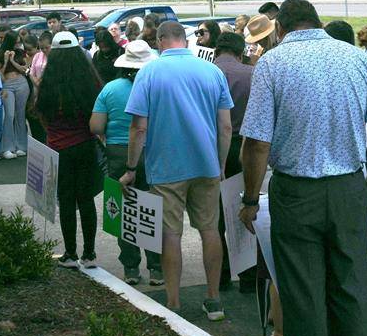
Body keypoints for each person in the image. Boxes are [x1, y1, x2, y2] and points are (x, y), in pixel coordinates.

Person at [238, 0, 367, 336]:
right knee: (349, 290)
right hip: (348, 187)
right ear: (318, 22)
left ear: (280, 29)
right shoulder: (356, 58)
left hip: (296, 191)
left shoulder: (273, 63)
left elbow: (256, 143)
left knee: (303, 293)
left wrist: (250, 199)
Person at [122, 21, 233, 315]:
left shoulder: (149, 73)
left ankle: (173, 302)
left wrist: (131, 167)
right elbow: (225, 126)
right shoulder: (212, 71)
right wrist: (220, 163)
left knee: (171, 234)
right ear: (184, 40)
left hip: (166, 167)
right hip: (206, 164)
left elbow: (138, 128)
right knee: (210, 230)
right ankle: (213, 299)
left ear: (160, 41)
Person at [91, 40, 161, 285]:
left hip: (118, 154)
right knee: (152, 207)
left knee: (123, 209)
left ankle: (131, 267)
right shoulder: (157, 87)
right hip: (152, 152)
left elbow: (96, 126)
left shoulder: (110, 89)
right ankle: (157, 268)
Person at [37, 32, 104, 268]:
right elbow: (97, 114)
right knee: (86, 199)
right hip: (86, 145)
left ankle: (70, 253)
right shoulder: (89, 80)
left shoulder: (49, 82)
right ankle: (90, 254)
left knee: (66, 200)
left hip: (59, 149)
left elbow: (40, 114)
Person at [213, 31, 255, 292]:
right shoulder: (252, 74)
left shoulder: (206, 73)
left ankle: (221, 275)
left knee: (215, 214)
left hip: (213, 146)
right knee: (245, 208)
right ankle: (249, 278)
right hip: (246, 146)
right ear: (240, 53)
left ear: (217, 51)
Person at [0, 32, 31, 157]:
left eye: (19, 42)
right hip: (7, 85)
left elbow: (25, 69)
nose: (18, 45)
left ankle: (21, 146)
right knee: (9, 115)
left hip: (21, 83)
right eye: (16, 42)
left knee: (20, 114)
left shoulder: (21, 53)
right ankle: (7, 147)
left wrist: (12, 60)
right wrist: (6, 60)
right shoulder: (0, 54)